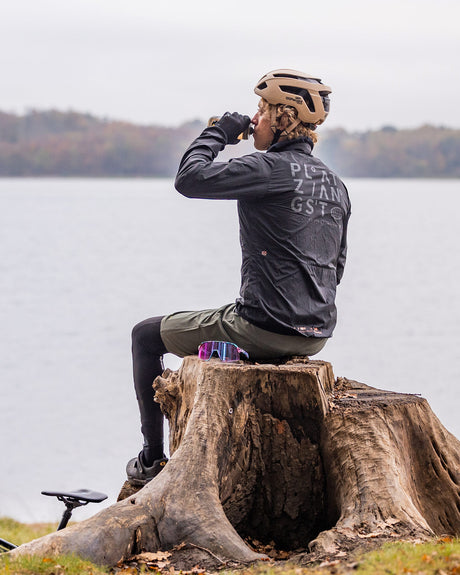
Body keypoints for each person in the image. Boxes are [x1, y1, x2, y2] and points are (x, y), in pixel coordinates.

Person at [126, 69, 351, 485]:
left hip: (262, 326)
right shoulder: (335, 184)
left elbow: (189, 179)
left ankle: (151, 461)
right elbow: (337, 266)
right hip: (316, 333)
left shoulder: (268, 168)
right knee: (225, 321)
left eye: (261, 111)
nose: (254, 119)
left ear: (281, 119)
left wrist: (219, 132)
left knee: (144, 335)